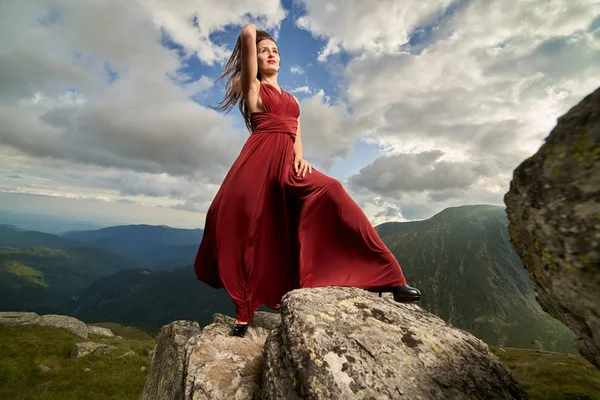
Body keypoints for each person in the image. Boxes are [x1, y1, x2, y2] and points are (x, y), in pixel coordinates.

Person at [194, 24, 420, 337]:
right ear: (253, 60)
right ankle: (243, 314)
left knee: (332, 189)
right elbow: (247, 33)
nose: (271, 54)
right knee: (249, 233)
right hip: (257, 164)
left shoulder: (291, 98)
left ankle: (389, 276)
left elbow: (296, 131)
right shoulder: (254, 89)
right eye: (264, 51)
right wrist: (253, 35)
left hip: (288, 164)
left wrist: (300, 157)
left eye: (275, 51)